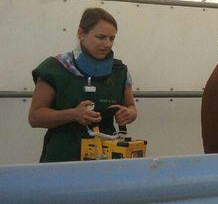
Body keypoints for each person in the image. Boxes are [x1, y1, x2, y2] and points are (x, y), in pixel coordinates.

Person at [29, 8, 137, 162]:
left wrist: (130, 114)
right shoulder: (55, 68)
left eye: (112, 39)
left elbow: (131, 107)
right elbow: (35, 117)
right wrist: (73, 114)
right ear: (81, 33)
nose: (107, 44)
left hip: (107, 158)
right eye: (101, 37)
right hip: (63, 158)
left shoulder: (120, 71)